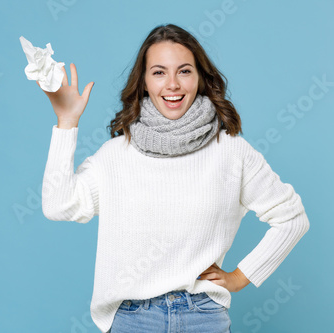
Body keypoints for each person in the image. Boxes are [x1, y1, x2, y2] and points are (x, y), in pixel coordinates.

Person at [38, 24, 310, 333]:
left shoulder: (231, 151)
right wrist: (66, 121)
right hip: (131, 319)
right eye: (158, 72)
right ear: (142, 82)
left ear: (199, 78)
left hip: (203, 316)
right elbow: (59, 206)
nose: (172, 85)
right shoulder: (116, 154)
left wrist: (241, 276)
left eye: (184, 71)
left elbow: (292, 219)